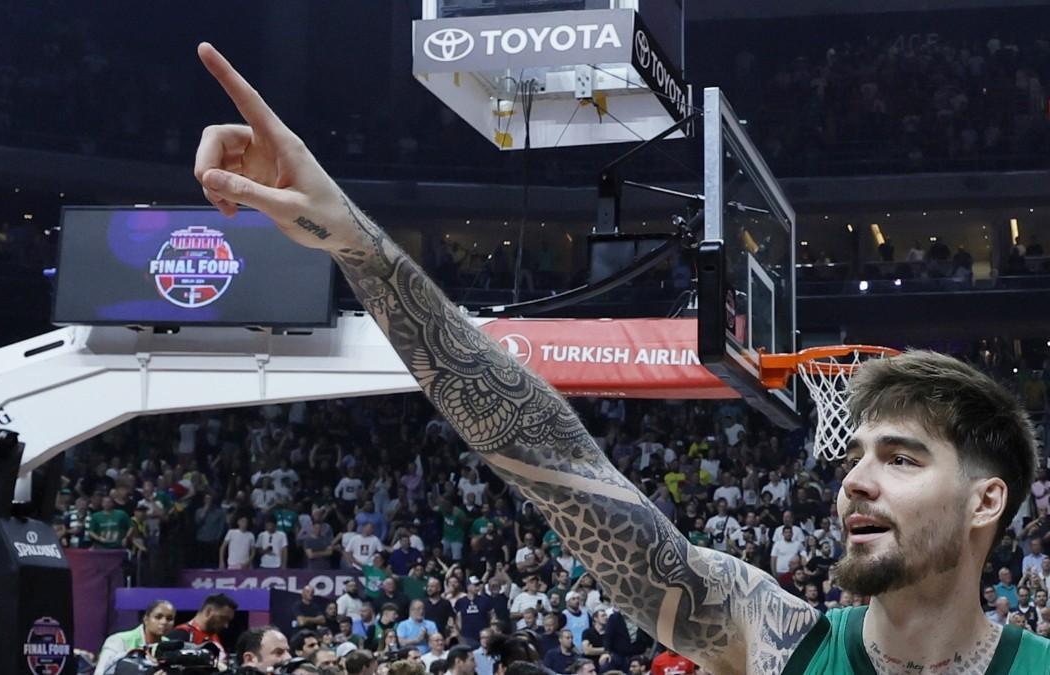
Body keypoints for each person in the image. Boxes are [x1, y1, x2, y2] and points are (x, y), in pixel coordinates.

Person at [191, 45, 1050, 673]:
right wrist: (355, 240)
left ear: (987, 499)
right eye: (857, 453)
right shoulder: (776, 638)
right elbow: (553, 451)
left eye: (901, 458)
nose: (856, 479)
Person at [94, 600, 175, 674]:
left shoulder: (170, 646)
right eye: (158, 617)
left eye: (169, 619)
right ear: (146, 619)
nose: (164, 622)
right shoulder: (118, 641)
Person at [175, 593, 237, 658]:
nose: (226, 625)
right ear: (208, 611)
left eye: (228, 621)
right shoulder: (181, 634)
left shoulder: (214, 637)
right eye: (223, 618)